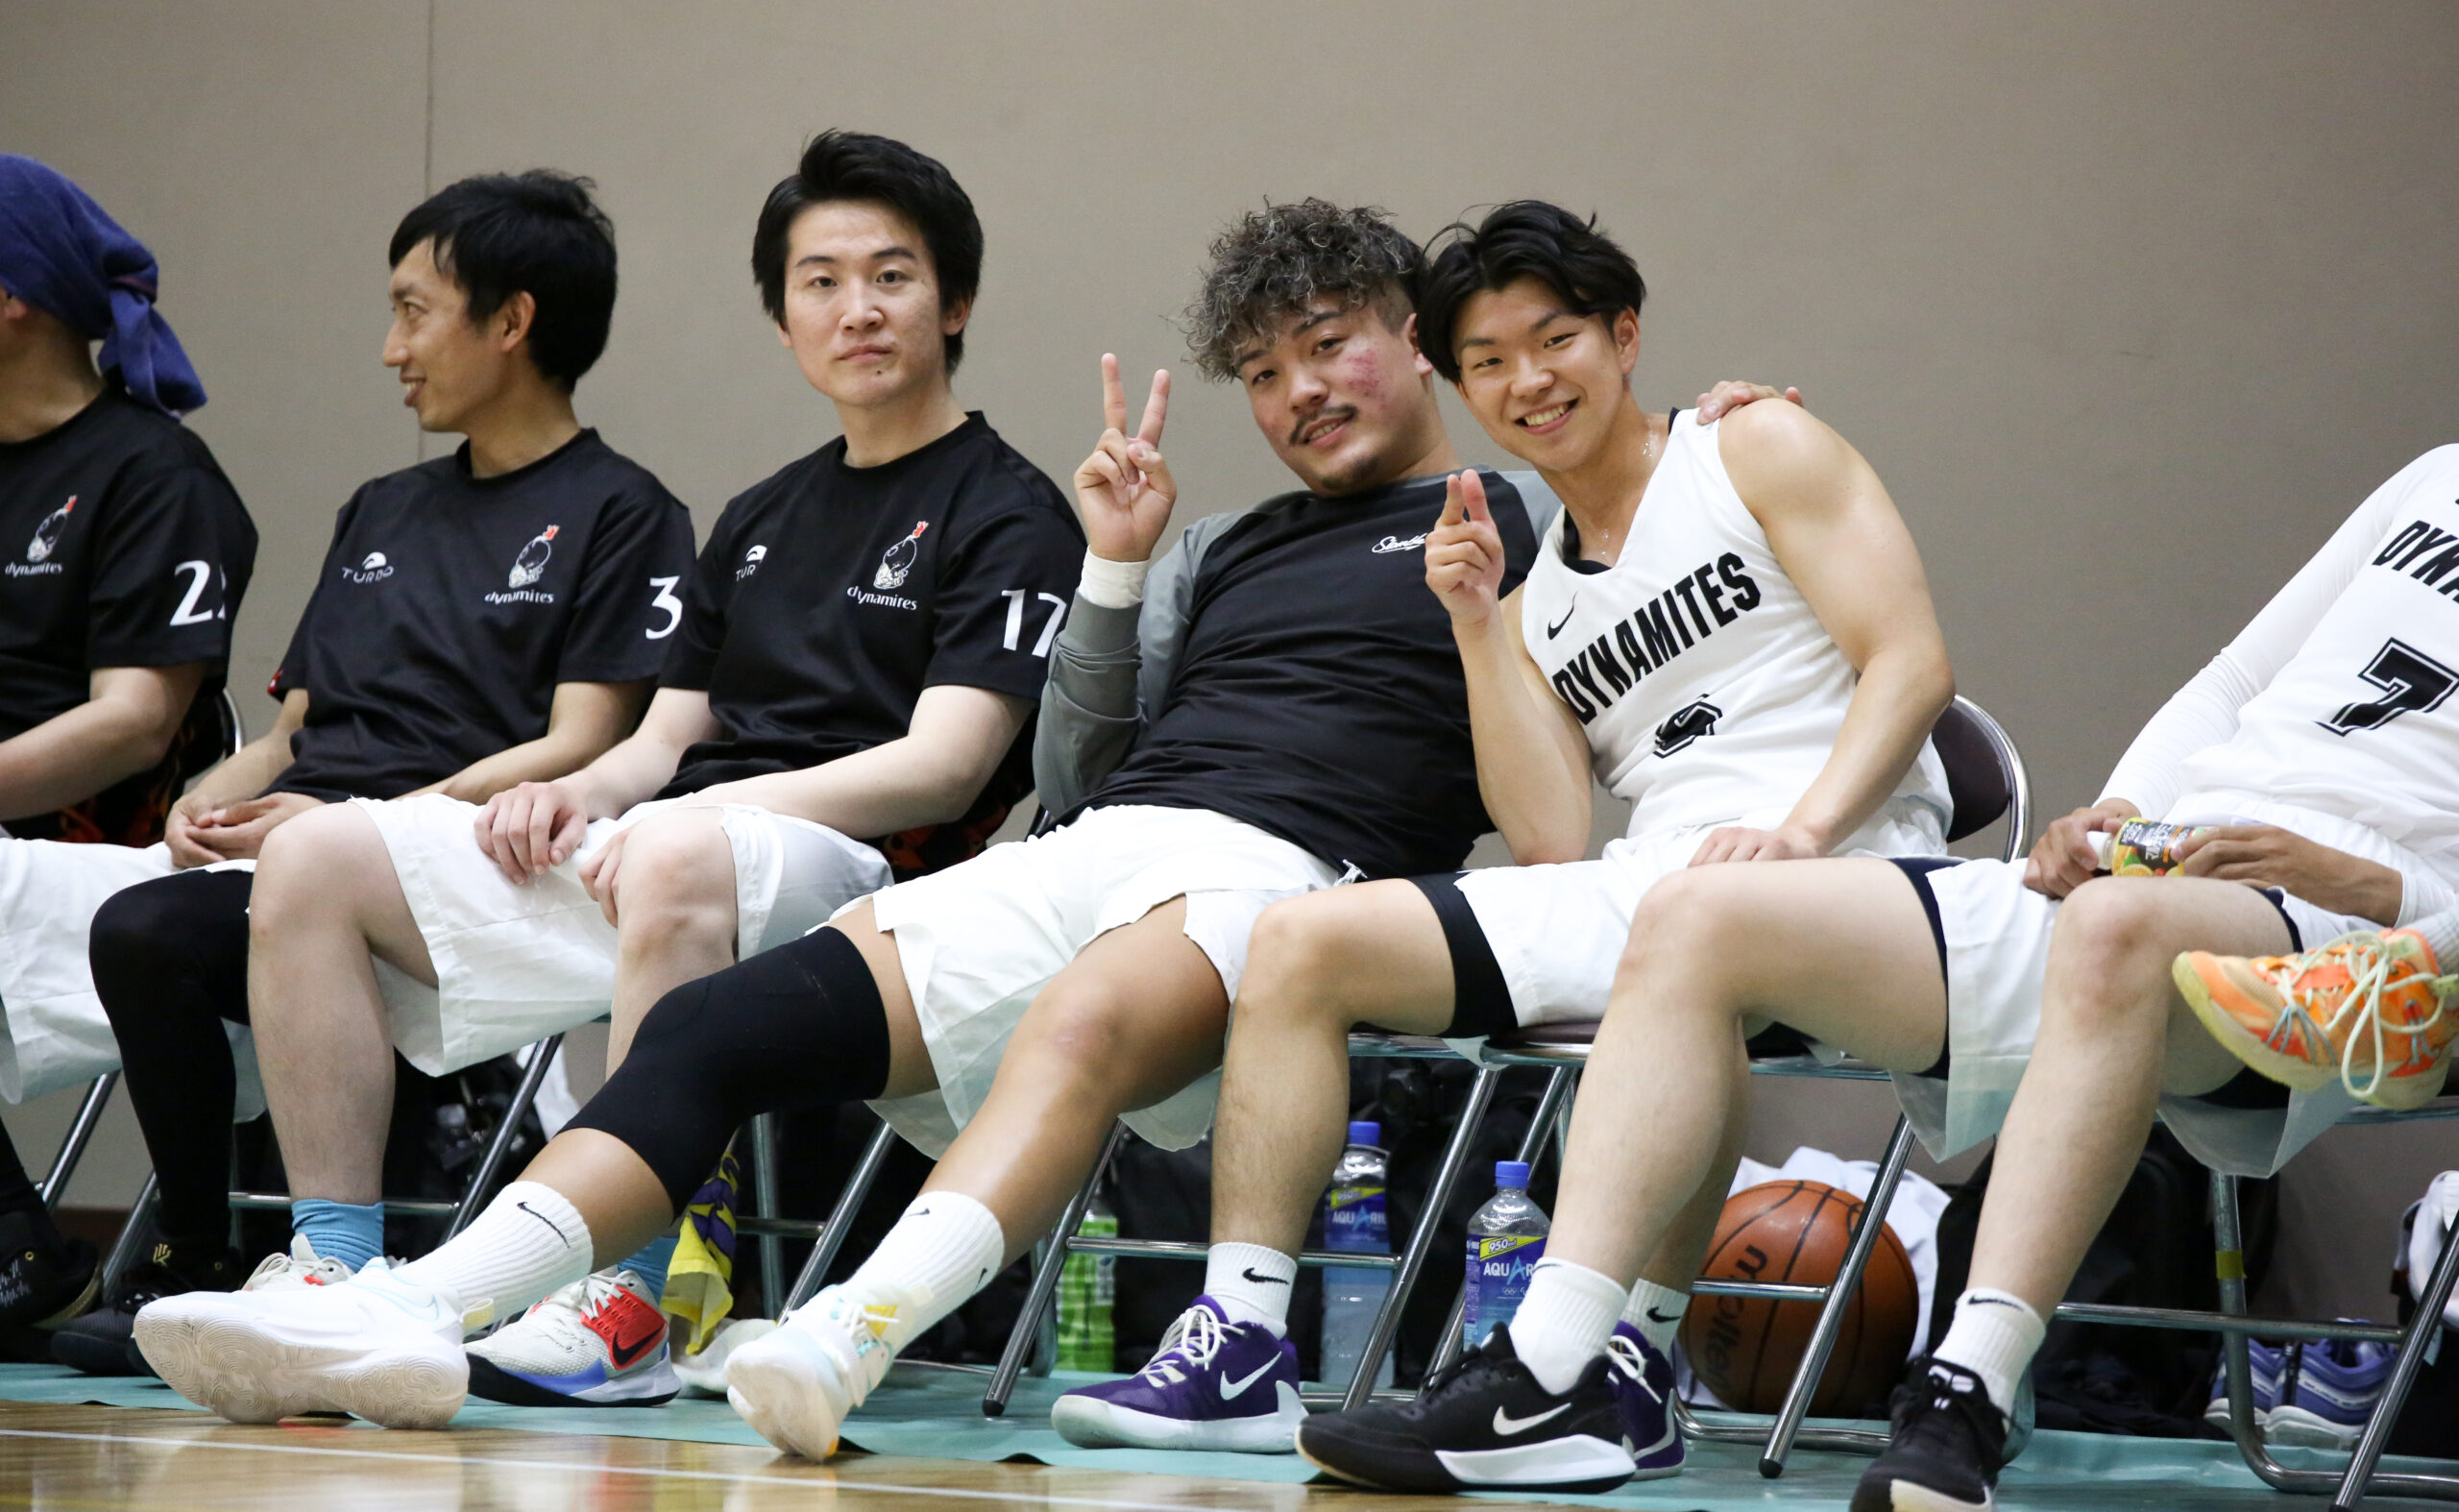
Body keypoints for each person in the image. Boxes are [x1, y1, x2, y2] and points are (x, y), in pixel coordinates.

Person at [133, 196, 1574, 1442]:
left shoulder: (1522, 519)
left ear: (1418, 342)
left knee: (1077, 1019)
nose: (1299, 391)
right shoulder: (1223, 545)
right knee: (708, 1030)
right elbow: (1074, 768)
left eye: (1330, 345)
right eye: (1262, 371)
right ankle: (405, 1310)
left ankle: (847, 1331)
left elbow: (1551, 811)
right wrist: (1119, 569)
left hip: (1290, 874)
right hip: (1094, 844)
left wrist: (1478, 615)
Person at [1294, 443, 2459, 1508]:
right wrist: (2118, 811)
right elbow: (2232, 682)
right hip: (2161, 874)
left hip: (2374, 941)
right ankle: (1558, 1374)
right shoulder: (2432, 474)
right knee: (1697, 911)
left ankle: (1967, 1394)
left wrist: (2383, 890)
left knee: (2115, 931)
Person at [135, 130, 1083, 1409]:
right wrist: (569, 794)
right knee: (317, 853)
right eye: (819, 282)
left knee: (674, 846)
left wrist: (686, 812)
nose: (856, 309)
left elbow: (942, 766)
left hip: (871, 892)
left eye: (891, 276)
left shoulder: (1009, 509)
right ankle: (333, 1274)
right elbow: (658, 740)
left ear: (953, 302)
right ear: (784, 320)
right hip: (676, 854)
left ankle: (633, 1297)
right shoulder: (760, 514)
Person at [1068, 201, 1955, 1479]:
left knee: (1689, 925)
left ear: (1624, 336)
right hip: (1668, 878)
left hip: (1854, 864)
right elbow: (1549, 835)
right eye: (1489, 359)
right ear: (1456, 380)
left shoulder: (1751, 444)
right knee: (1300, 941)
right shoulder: (1536, 585)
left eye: (1555, 341)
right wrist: (1481, 623)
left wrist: (1801, 829)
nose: (1527, 380)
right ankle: (1242, 1342)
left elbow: (1911, 661)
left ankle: (1573, 1365)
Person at [47, 168, 694, 1372]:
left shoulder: (623, 511)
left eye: (413, 311)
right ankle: (201, 1257)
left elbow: (584, 741)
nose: (391, 348)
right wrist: (206, 799)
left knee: (155, 929)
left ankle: (246, 1255)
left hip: (465, 864)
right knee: (135, 920)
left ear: (513, 321)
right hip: (311, 841)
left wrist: (353, 820)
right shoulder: (381, 508)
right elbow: (292, 731)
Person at [0, 155, 257, 1327]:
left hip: (91, 833)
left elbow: (136, 722)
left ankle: (17, 1249)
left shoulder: (152, 473)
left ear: (14, 298)